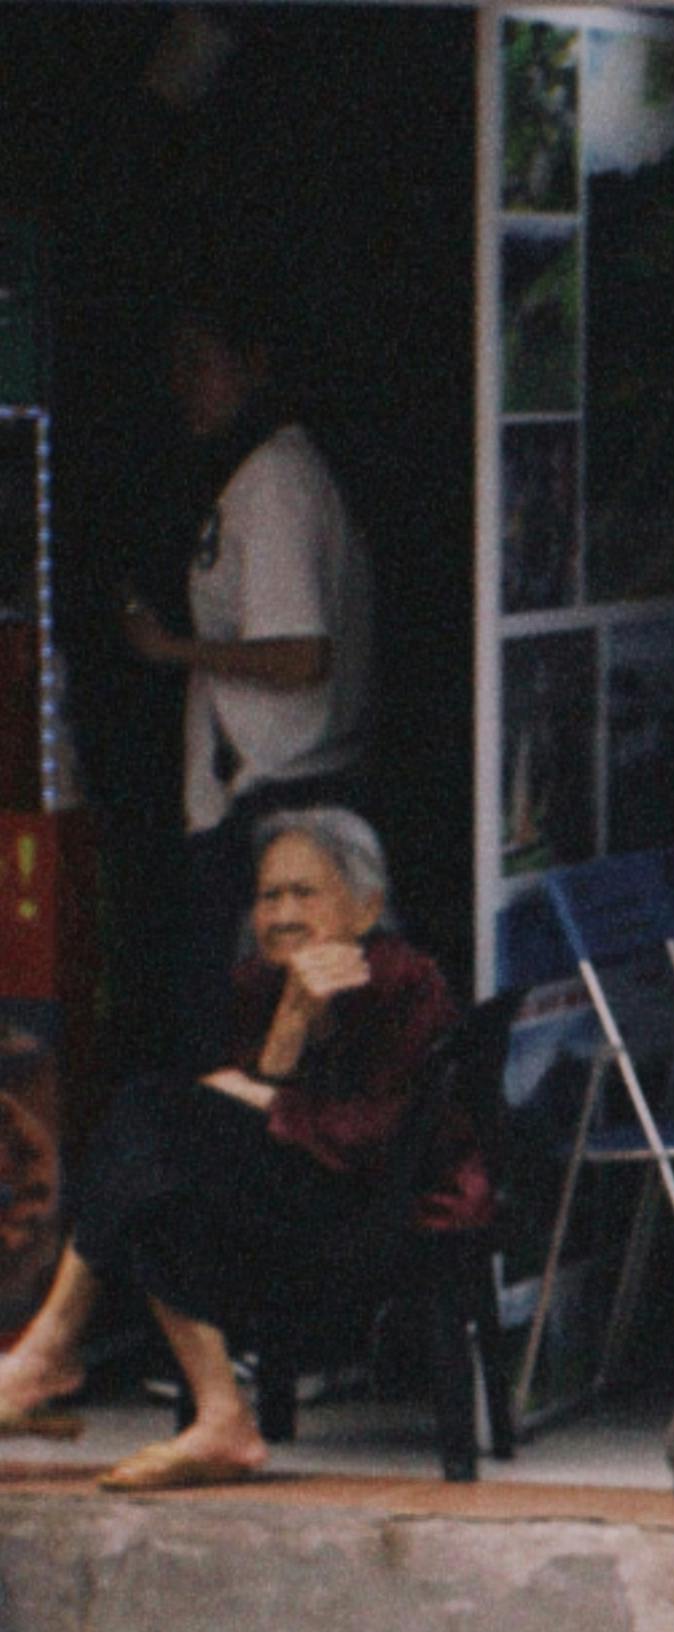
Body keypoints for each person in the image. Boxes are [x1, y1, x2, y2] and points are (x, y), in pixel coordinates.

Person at [0, 807, 481, 1486]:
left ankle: (55, 1351)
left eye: (303, 893)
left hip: (383, 1206)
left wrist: (269, 1101)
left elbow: (386, 1134)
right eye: (268, 895)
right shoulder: (260, 981)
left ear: (367, 906)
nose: (282, 912)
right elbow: (238, 1110)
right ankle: (219, 1414)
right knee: (154, 1164)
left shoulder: (404, 982)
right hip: (295, 1196)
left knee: (152, 1127)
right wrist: (290, 1025)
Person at [120, 300, 374, 1076]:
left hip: (273, 798)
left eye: (201, 361)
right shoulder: (261, 479)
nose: (183, 385)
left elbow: (301, 656)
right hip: (269, 795)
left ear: (255, 364)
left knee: (251, 1047)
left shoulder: (276, 484)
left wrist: (173, 649)